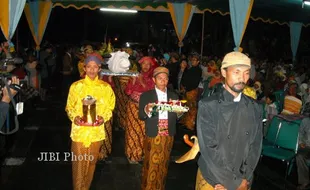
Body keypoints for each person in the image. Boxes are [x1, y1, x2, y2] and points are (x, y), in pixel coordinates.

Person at [196, 52, 263, 190]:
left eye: (246, 73)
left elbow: (255, 147)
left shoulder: (255, 107)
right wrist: (232, 182)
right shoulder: (208, 105)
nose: (242, 78)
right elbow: (209, 150)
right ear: (224, 72)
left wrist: (244, 179)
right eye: (236, 72)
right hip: (214, 179)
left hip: (243, 179)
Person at [65, 55, 115, 190]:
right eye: (89, 67)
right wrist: (74, 117)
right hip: (79, 132)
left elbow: (110, 108)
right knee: (79, 164)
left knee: (92, 163)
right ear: (84, 68)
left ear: (99, 68)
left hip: (96, 131)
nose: (92, 70)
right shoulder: (76, 86)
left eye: (95, 67)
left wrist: (103, 118)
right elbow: (69, 107)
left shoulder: (106, 88)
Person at [139, 67, 179, 190]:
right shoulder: (146, 95)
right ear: (154, 80)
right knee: (151, 164)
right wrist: (147, 109)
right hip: (153, 132)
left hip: (168, 133)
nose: (163, 81)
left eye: (165, 78)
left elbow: (177, 116)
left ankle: (160, 187)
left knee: (164, 163)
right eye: (160, 78)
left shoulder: (173, 95)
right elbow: (141, 115)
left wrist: (179, 110)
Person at [124, 56, 156, 164]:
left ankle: (140, 154)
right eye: (144, 64)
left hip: (146, 107)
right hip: (133, 106)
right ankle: (132, 155)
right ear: (140, 65)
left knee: (143, 131)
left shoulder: (153, 79)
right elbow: (128, 92)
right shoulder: (134, 76)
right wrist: (133, 82)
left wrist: (142, 83)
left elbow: (152, 93)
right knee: (132, 130)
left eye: (148, 64)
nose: (146, 66)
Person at [296, 117, 310, 190]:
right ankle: (305, 181)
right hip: (307, 146)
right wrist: (301, 142)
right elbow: (300, 132)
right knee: (300, 156)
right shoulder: (306, 121)